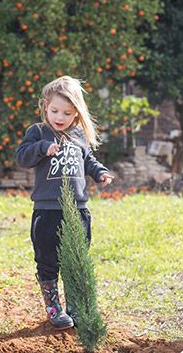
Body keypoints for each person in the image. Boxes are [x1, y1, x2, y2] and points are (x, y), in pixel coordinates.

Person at [15, 76, 113, 330]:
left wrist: (100, 172)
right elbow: (22, 157)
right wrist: (42, 147)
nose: (60, 117)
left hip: (78, 209)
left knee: (76, 257)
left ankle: (75, 305)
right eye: (55, 110)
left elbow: (88, 159)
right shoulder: (37, 132)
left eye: (67, 113)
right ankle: (53, 306)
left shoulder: (78, 135)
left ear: (77, 114)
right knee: (48, 258)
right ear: (45, 106)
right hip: (47, 211)